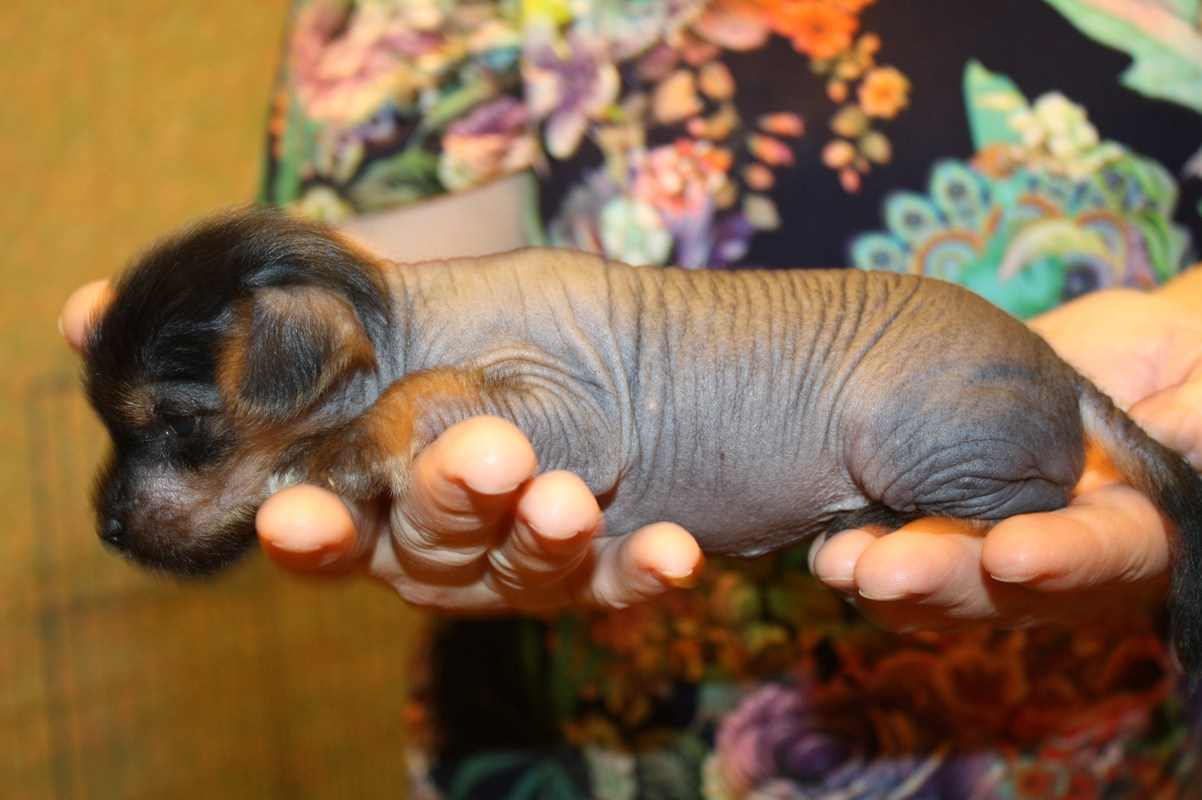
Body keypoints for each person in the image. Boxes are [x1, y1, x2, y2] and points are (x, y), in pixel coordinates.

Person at [66, 0, 1202, 796]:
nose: (139, 498)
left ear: (291, 360)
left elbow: (570, 430)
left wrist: (373, 437)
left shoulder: (435, 362)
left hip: (1067, 706)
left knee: (918, 436)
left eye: (183, 431)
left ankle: (993, 483)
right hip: (588, 737)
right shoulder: (422, 271)